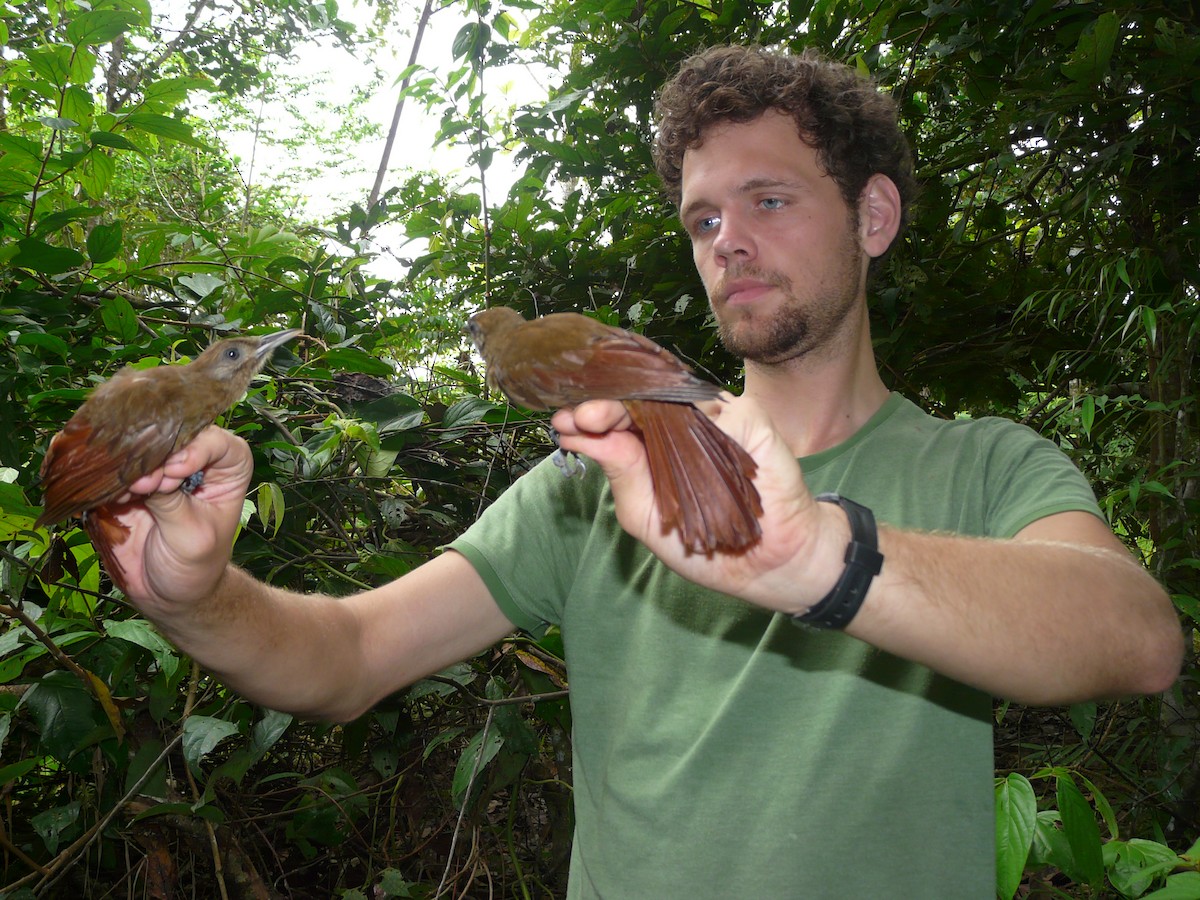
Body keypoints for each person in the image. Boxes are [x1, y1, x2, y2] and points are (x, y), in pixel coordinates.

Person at [112, 45, 1181, 897]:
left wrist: (821, 558)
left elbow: (1135, 638)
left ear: (875, 216)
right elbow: (345, 658)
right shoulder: (593, 480)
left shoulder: (983, 465)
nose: (728, 240)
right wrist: (195, 597)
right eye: (704, 218)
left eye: (769, 201)